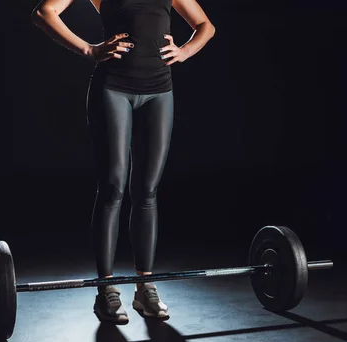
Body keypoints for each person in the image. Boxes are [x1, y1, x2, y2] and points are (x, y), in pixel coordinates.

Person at [31, 0, 216, 323]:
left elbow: (206, 26)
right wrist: (89, 50)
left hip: (160, 92)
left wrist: (185, 51)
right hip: (114, 89)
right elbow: (44, 13)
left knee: (147, 191)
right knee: (114, 188)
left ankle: (145, 288)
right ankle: (107, 292)